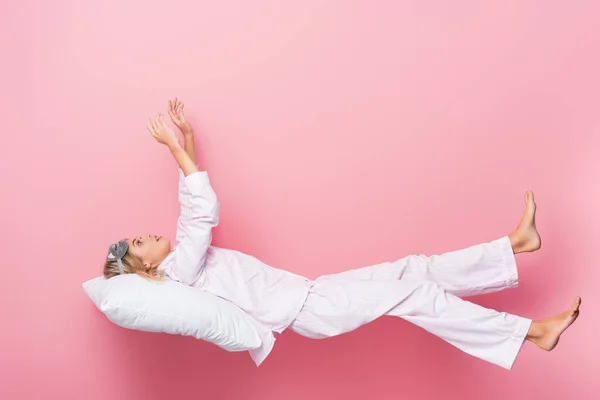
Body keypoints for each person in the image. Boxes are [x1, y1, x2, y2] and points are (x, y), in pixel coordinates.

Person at [104, 98, 581, 370]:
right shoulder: (177, 272)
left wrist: (183, 140)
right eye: (140, 242)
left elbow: (193, 211)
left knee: (411, 269)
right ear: (146, 265)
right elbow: (202, 213)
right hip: (309, 309)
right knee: (414, 292)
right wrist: (174, 147)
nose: (146, 236)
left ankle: (511, 250)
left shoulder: (181, 261)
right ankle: (532, 334)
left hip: (313, 294)